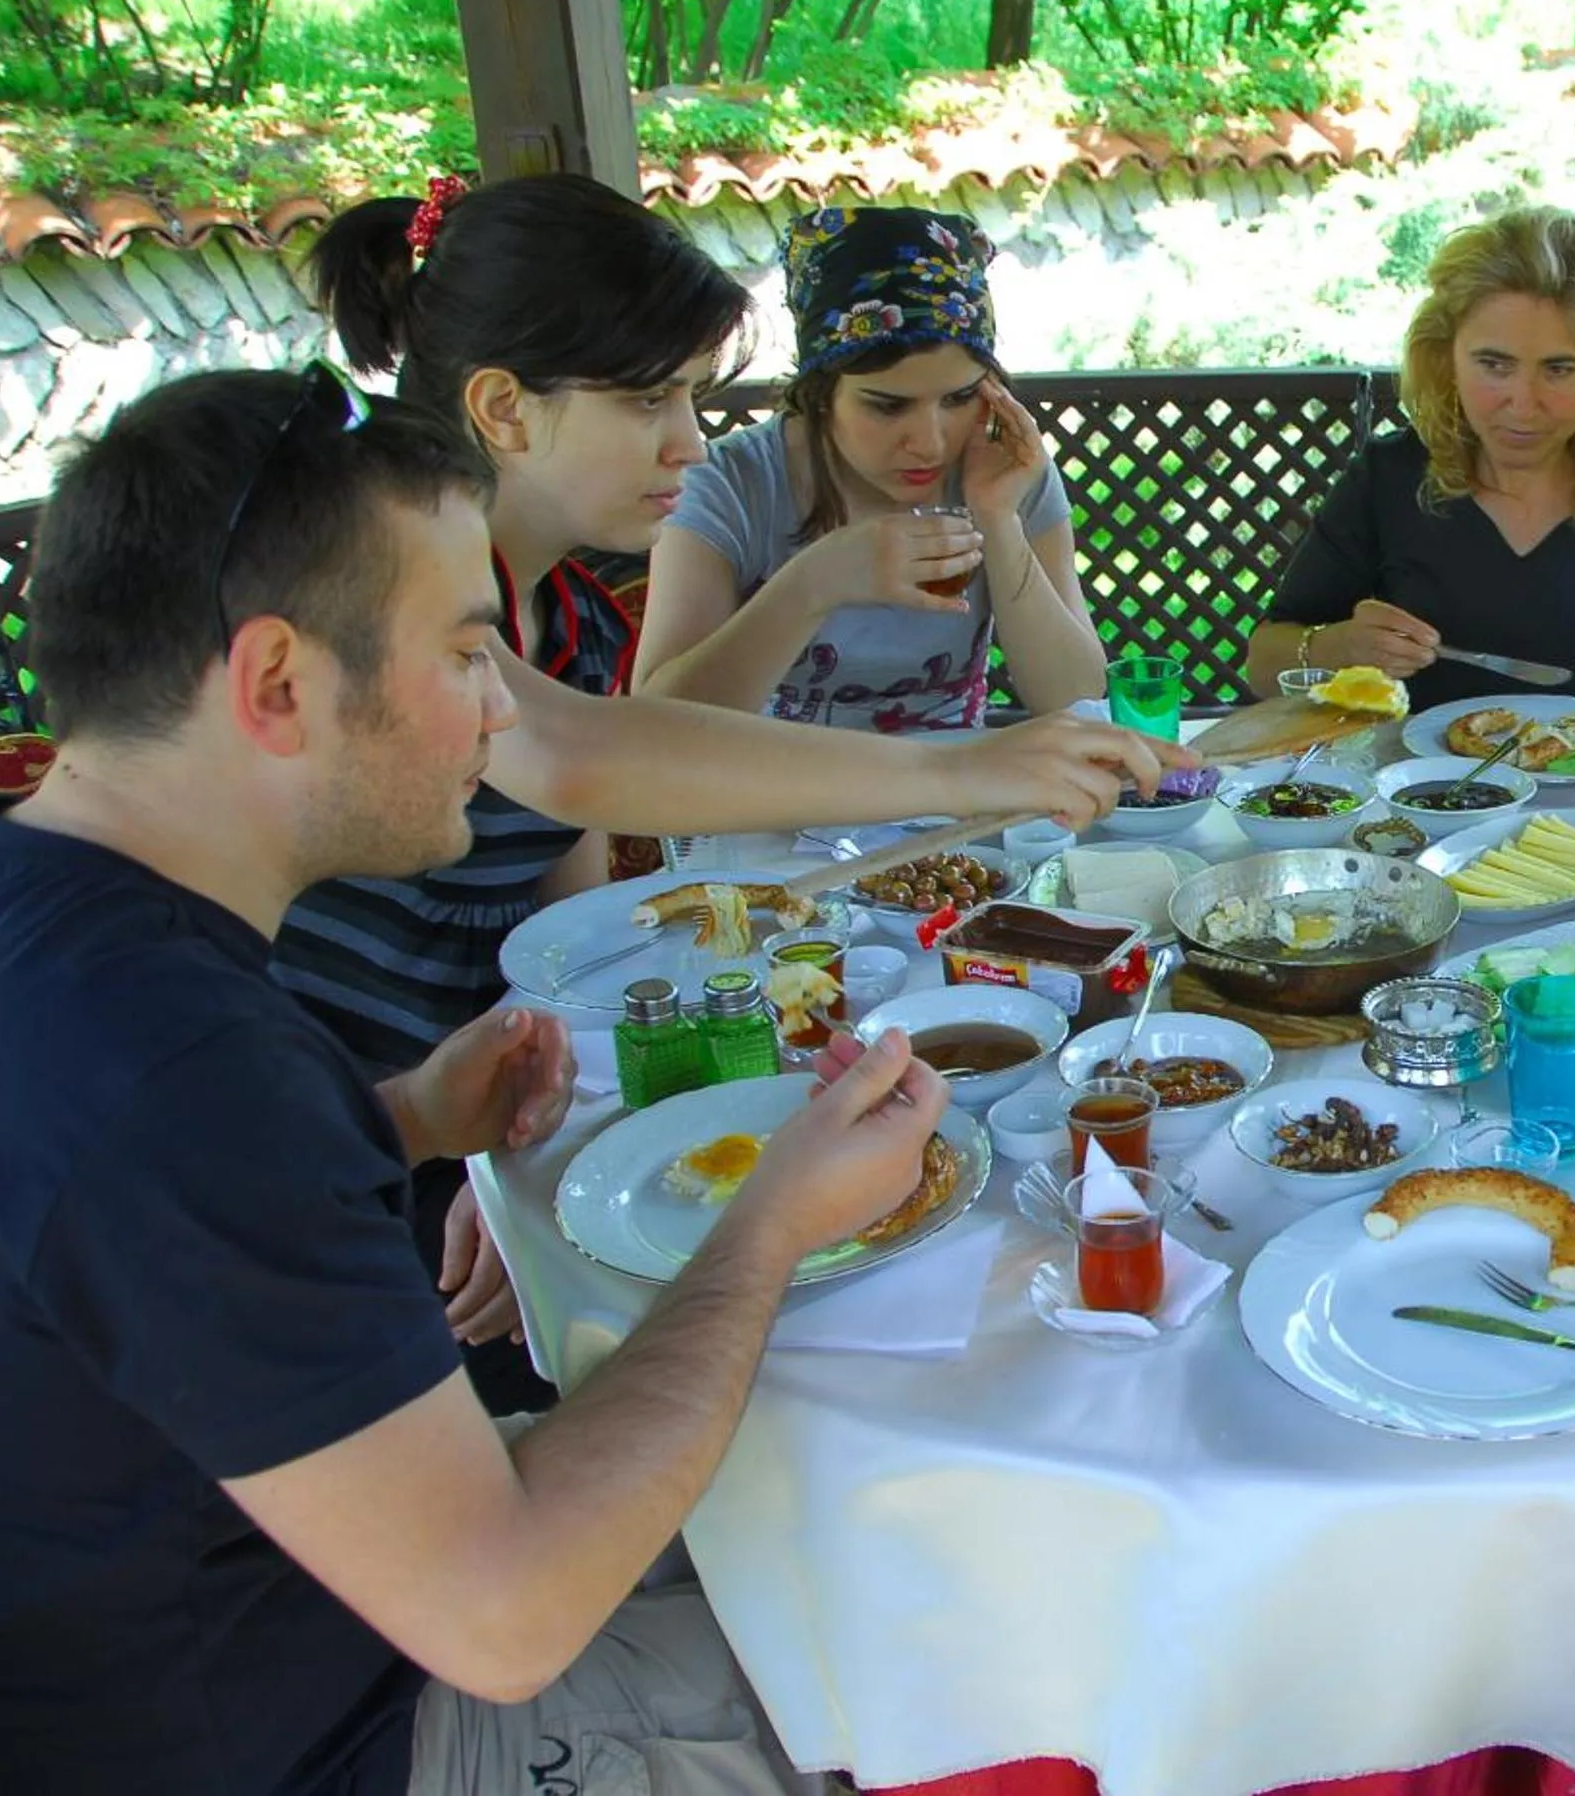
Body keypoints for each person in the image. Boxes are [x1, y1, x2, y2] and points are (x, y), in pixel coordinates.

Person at [0, 367, 955, 1794]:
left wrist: (399, 1119)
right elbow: (509, 1616)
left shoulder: (40, 912)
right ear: (276, 683)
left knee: (831, 1505)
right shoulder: (186, 1074)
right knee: (951, 1654)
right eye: (462, 654)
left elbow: (100, 1238)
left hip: (237, 1598)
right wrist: (772, 1222)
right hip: (351, 1731)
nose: (501, 712)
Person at [276, 177, 1175, 1405]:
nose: (692, 443)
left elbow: (569, 905)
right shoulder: (388, 573)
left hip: (442, 1102)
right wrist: (965, 765)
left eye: (693, 399)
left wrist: (512, 1141)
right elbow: (586, 757)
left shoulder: (568, 609)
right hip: (304, 1129)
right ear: (502, 407)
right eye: (651, 399)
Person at [1243, 204, 1575, 745]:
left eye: (1559, 369)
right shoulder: (1388, 480)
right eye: (1494, 365)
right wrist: (1340, 647)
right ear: (1447, 359)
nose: (1523, 404)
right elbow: (1263, 663)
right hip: (1424, 793)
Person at [635, 206, 1108, 728]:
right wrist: (813, 583)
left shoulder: (1006, 471)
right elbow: (661, 725)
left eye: (959, 398)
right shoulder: (727, 484)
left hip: (959, 773)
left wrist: (998, 521)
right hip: (775, 777)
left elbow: (1077, 698)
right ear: (818, 394)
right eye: (888, 406)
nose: (929, 444)